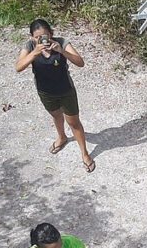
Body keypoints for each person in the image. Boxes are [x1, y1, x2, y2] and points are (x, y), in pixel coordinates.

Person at [14, 18, 95, 172]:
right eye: (37, 37)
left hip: (66, 90)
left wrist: (61, 51)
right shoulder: (30, 46)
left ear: (51, 33)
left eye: (45, 36)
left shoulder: (61, 42)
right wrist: (34, 53)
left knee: (74, 123)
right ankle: (62, 137)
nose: (42, 40)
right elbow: (18, 67)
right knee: (56, 116)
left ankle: (84, 153)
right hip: (45, 92)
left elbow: (80, 62)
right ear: (32, 37)